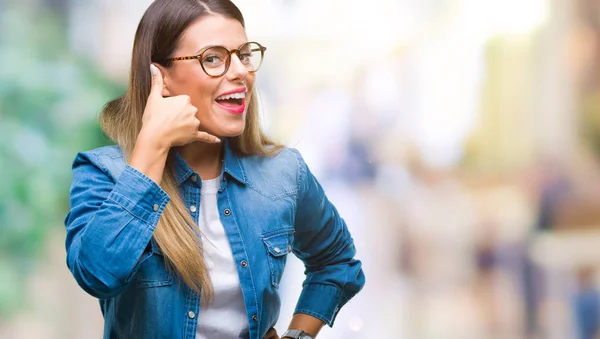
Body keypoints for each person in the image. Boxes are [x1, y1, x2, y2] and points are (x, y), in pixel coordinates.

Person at [63, 0, 365, 338]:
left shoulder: (282, 173)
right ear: (160, 77)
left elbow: (337, 262)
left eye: (244, 55)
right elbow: (97, 275)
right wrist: (151, 145)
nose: (239, 71)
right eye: (213, 58)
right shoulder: (104, 173)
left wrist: (299, 335)